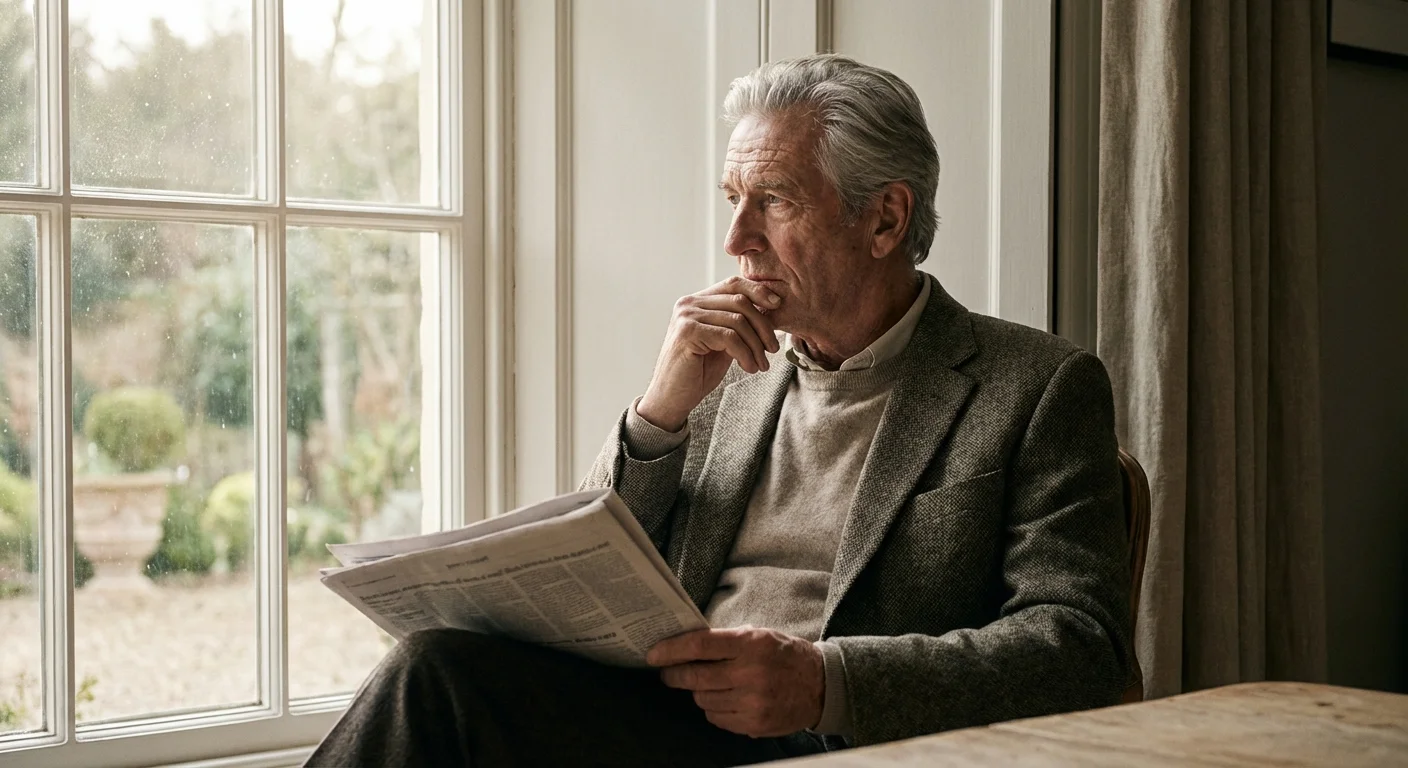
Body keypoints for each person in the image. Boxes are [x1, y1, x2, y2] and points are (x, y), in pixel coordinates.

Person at [306, 53, 1133, 767]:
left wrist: (827, 683)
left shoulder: (1038, 385)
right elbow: (587, 573)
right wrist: (659, 414)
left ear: (885, 218)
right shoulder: (722, 371)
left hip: (846, 747)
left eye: (773, 200)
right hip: (667, 726)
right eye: (732, 198)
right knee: (435, 665)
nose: (737, 238)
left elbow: (1079, 649)